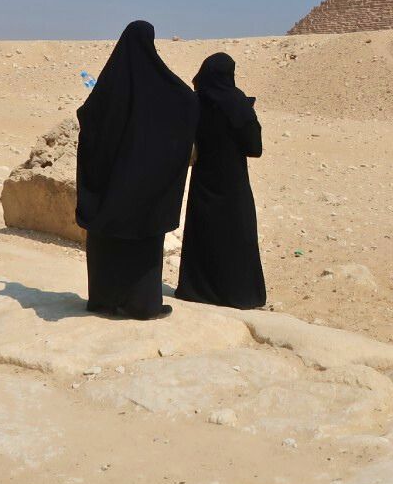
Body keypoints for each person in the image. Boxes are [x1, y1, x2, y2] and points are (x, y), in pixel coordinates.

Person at [75, 21, 198, 319]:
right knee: (143, 241)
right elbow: (187, 104)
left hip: (111, 184)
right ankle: (142, 304)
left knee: (107, 238)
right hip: (145, 185)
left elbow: (88, 117)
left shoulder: (109, 85)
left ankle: (104, 299)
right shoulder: (165, 87)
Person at [175, 53, 266, 309]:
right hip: (232, 182)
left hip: (204, 180)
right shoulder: (238, 103)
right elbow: (254, 148)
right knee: (235, 235)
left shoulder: (196, 101)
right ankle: (239, 295)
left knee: (203, 234)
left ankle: (197, 290)